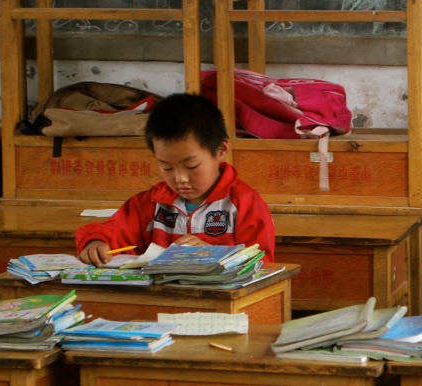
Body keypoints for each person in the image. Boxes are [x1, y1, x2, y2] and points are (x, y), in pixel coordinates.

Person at [76, 93, 276, 266]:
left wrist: (215, 255)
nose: (180, 178)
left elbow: (261, 264)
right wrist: (95, 243)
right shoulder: (149, 204)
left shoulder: (246, 204)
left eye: (191, 166)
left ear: (221, 150)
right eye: (167, 167)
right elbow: (110, 232)